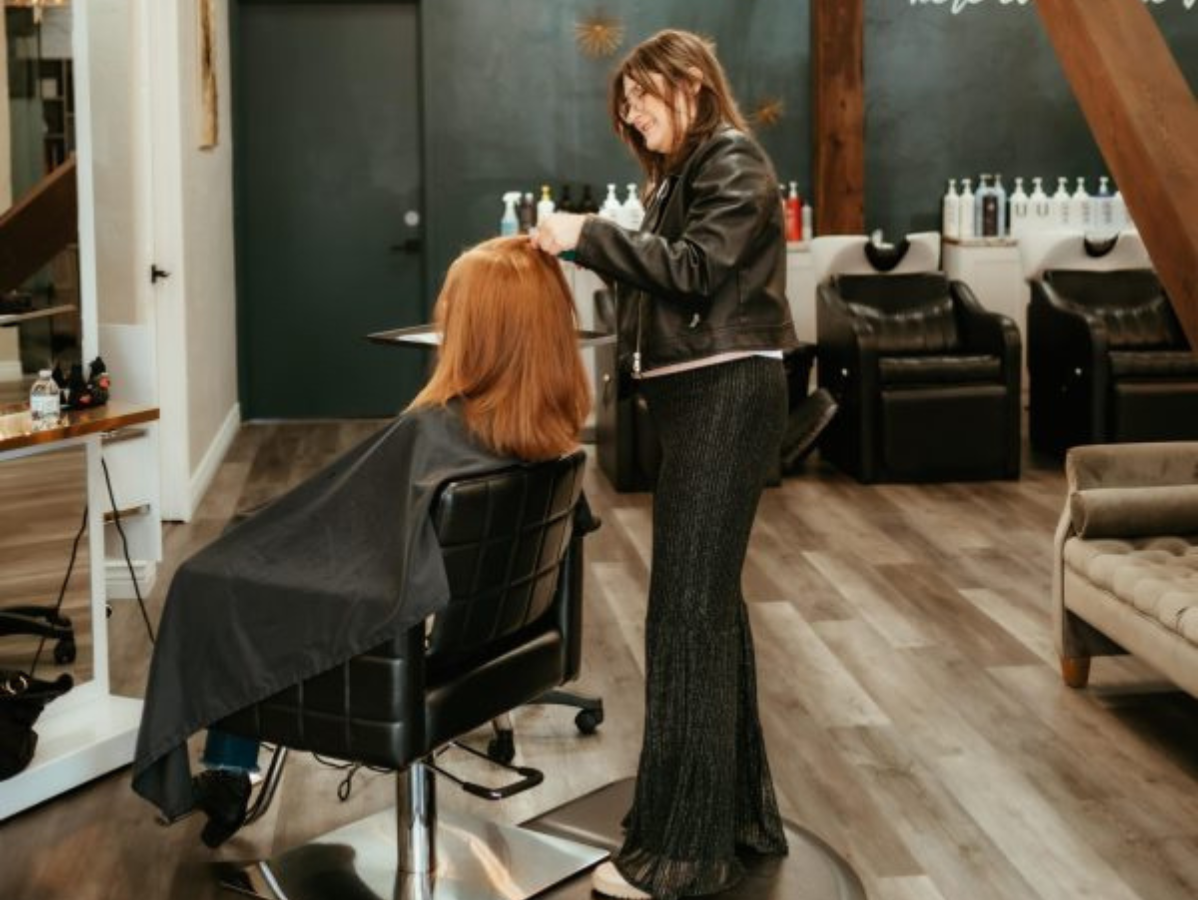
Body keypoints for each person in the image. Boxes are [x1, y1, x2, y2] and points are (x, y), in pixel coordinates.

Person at [133, 236, 590, 842]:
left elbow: (351, 533)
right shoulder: (552, 443)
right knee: (249, 570)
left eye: (452, 305)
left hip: (410, 647)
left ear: (479, 331)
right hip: (494, 635)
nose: (442, 315)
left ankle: (226, 767)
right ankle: (229, 766)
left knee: (210, 581)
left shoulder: (432, 433)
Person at [533, 29, 796, 900]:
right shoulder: (687, 172)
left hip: (727, 402)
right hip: (700, 403)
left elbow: (693, 270)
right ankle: (737, 821)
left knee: (683, 616)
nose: (634, 118)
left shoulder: (733, 164)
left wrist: (587, 235)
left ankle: (680, 856)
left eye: (643, 99)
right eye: (626, 109)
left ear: (689, 83)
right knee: (710, 610)